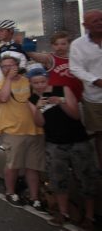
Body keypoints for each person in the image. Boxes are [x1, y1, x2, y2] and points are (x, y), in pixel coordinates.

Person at [26, 67, 97, 229]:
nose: (39, 86)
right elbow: (39, 123)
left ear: (48, 79)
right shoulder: (31, 99)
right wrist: (37, 108)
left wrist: (61, 102)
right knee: (58, 180)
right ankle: (63, 213)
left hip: (77, 140)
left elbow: (75, 115)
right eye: (35, 83)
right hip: (54, 143)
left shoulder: (62, 89)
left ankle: (90, 217)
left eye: (42, 82)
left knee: (86, 179)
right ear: (30, 83)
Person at [0, 56, 45, 210]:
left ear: (18, 65)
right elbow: (2, 98)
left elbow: (41, 93)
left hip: (35, 130)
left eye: (12, 65)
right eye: (4, 66)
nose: (8, 68)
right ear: (1, 69)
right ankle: (10, 192)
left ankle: (34, 197)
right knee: (13, 165)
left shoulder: (28, 81)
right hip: (12, 130)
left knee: (32, 167)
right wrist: (8, 79)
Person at [69, 9, 102, 169]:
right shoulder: (78, 45)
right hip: (94, 97)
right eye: (95, 21)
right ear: (85, 25)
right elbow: (75, 68)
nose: (100, 23)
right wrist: (95, 80)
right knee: (99, 134)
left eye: (101, 19)